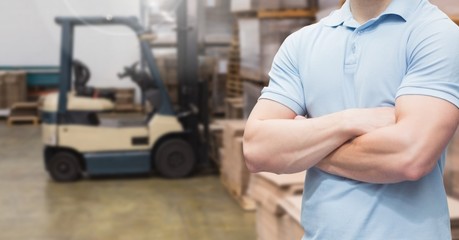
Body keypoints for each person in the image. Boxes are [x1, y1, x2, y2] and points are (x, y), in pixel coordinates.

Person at [243, 0, 459, 239]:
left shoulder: (434, 34)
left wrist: (305, 146)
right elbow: (257, 149)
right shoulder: (301, 44)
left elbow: (410, 156)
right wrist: (348, 120)